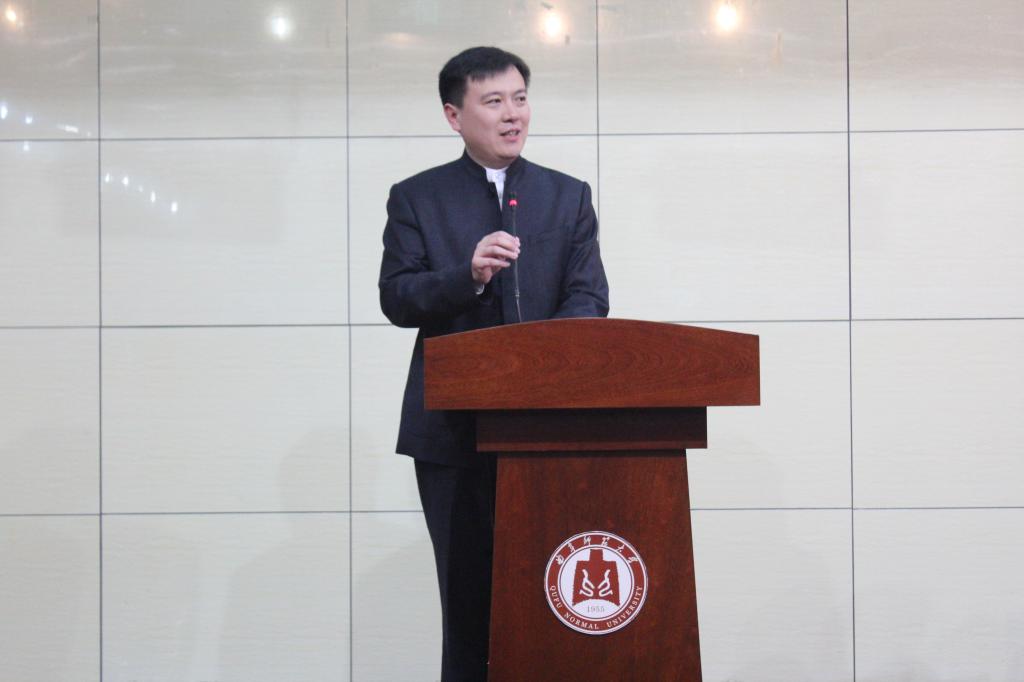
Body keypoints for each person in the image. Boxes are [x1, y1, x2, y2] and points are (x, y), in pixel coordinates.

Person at [378, 46, 609, 681]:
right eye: (494, 101)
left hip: (548, 432)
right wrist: (468, 276)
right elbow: (397, 297)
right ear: (454, 116)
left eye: (520, 99)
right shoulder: (418, 198)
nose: (513, 114)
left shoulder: (566, 196)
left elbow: (589, 297)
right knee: (468, 605)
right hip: (452, 436)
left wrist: (545, 363)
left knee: (553, 596)